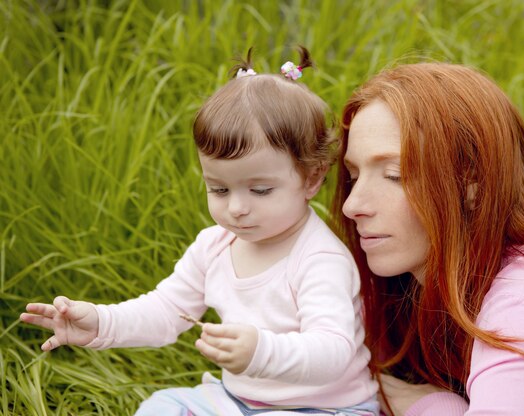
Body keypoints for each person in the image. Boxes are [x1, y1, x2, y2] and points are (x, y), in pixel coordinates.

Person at [20, 47, 379, 416]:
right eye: (219, 189)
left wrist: (260, 352)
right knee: (161, 407)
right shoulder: (215, 245)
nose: (236, 207)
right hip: (237, 401)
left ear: (312, 178)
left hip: (323, 408)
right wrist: (99, 322)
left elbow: (333, 351)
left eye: (259, 190)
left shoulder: (320, 259)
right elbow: (166, 311)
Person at [331, 62, 524, 415]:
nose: (352, 205)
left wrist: (423, 403)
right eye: (353, 175)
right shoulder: (414, 281)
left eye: (394, 175)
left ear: (472, 183)